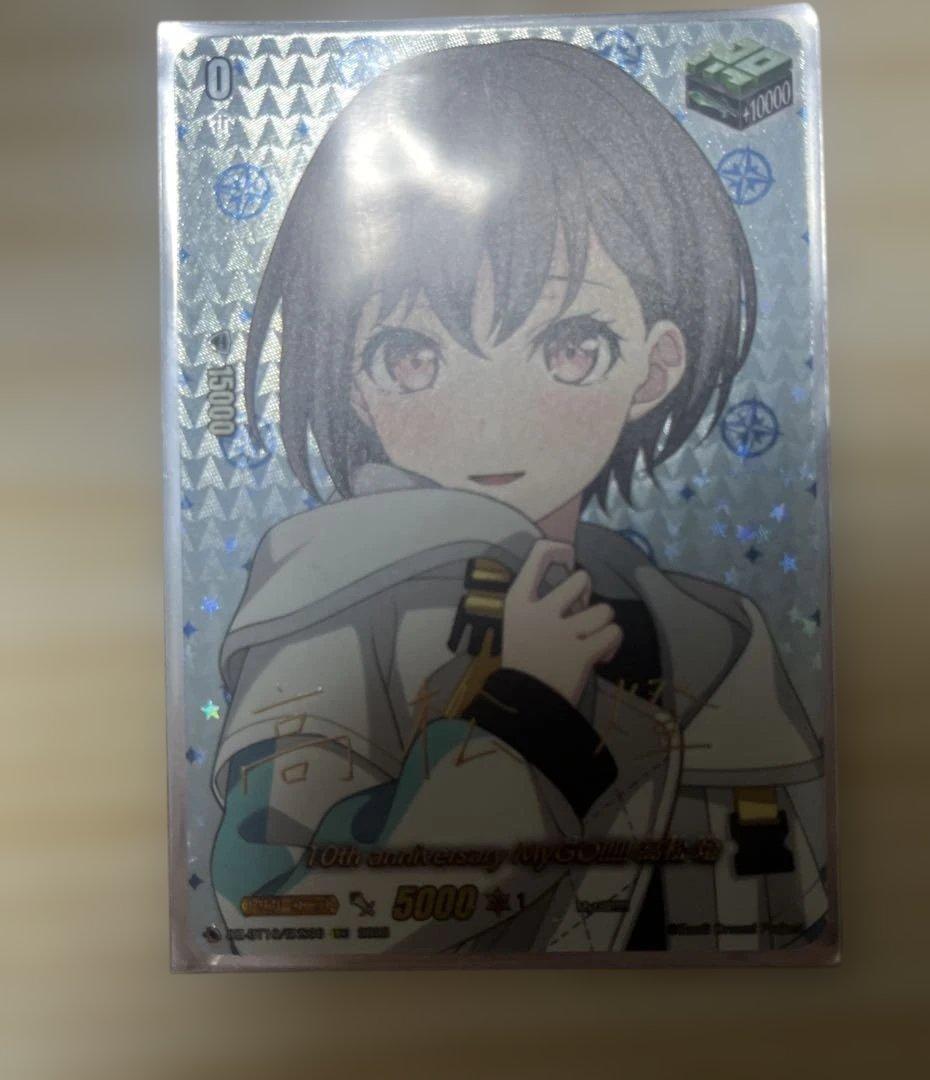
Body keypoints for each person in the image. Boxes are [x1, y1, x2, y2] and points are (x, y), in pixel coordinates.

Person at [211, 37, 826, 955]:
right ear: (353, 385)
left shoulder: (714, 639)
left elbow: (778, 918)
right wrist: (522, 708)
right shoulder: (338, 611)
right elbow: (277, 917)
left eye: (570, 347)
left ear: (655, 365)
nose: (492, 421)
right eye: (414, 357)